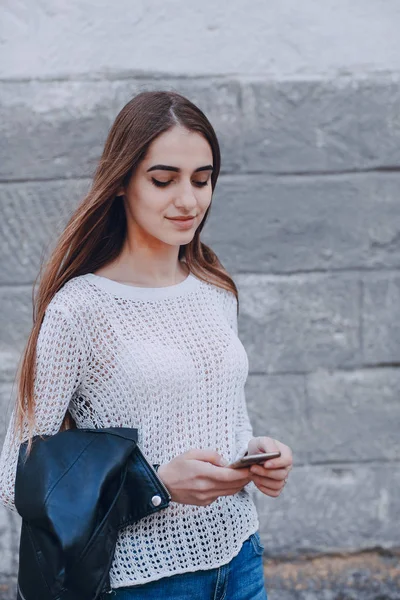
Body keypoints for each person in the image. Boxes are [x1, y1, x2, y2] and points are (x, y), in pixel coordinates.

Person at [0, 90, 293, 599]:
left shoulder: (215, 289)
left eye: (202, 180)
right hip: (143, 582)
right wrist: (155, 486)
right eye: (163, 180)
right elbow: (15, 477)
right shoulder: (80, 310)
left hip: (241, 558)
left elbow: (225, 420)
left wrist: (256, 456)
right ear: (121, 184)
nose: (188, 200)